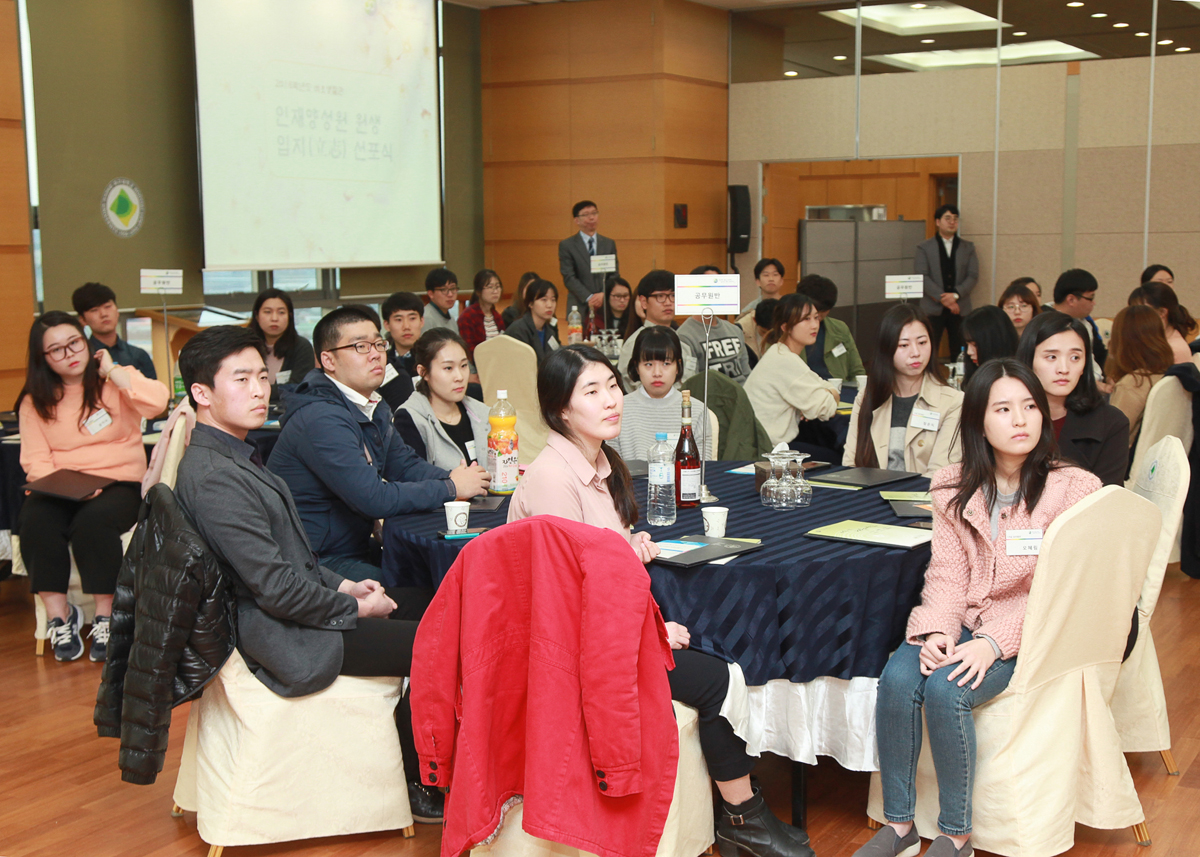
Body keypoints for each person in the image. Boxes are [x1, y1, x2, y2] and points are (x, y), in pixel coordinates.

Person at [508, 345, 815, 857]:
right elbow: (566, 600)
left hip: (607, 632)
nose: (611, 400)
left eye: (612, 385)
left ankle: (743, 813)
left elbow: (593, 562)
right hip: (574, 653)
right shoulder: (551, 480)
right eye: (592, 391)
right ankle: (744, 819)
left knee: (716, 642)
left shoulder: (600, 462)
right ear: (561, 409)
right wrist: (649, 635)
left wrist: (628, 547)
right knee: (718, 678)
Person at [173, 325, 445, 823]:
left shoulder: (234, 454)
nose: (259, 390)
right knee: (439, 642)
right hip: (280, 636)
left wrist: (342, 584)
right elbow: (275, 589)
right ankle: (418, 778)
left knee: (438, 604)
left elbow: (287, 559)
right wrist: (354, 606)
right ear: (202, 393)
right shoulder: (215, 476)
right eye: (241, 379)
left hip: (296, 609)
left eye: (262, 376)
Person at [857, 357, 1100, 857]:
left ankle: (956, 835)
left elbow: (1063, 592)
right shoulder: (951, 485)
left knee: (947, 691)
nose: (1020, 420)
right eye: (1003, 409)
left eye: (1030, 406)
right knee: (898, 680)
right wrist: (937, 631)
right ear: (978, 422)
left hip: (1028, 631)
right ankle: (900, 826)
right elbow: (948, 574)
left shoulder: (1074, 489)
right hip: (964, 619)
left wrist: (993, 643)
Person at [267, 306, 489, 581]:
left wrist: (456, 477)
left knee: (431, 572)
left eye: (378, 344)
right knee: (428, 590)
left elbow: (404, 466)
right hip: (314, 560)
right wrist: (451, 487)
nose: (375, 354)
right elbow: (373, 498)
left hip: (351, 545)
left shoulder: (370, 403)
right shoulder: (321, 417)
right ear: (328, 360)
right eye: (360, 346)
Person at [17, 311, 169, 662]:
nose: (69, 353)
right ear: (43, 358)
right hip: (62, 484)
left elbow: (157, 402)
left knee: (93, 521)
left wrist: (112, 371)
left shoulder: (114, 380)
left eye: (74, 343)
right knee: (35, 518)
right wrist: (66, 488)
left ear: (85, 340)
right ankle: (60, 616)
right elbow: (35, 458)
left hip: (120, 480)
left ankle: (106, 616)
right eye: (56, 350)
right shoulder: (34, 400)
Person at [844, 304, 963, 476]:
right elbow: (850, 464)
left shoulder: (953, 401)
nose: (916, 352)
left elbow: (940, 475)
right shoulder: (867, 396)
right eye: (904, 345)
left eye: (922, 342)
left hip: (923, 492)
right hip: (871, 491)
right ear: (886, 349)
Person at [1015, 311, 1129, 486]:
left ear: (1085, 365)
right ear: (1029, 359)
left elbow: (1108, 497)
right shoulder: (1005, 416)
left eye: (1075, 357)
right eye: (1052, 357)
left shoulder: (1111, 423)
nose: (1064, 368)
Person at [744, 293, 841, 451]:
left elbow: (818, 384)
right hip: (770, 450)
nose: (814, 325)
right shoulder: (785, 360)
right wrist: (832, 392)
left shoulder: (779, 352)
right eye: (806, 319)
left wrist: (826, 392)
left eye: (816, 318)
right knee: (836, 454)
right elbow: (826, 409)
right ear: (785, 327)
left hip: (764, 443)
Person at [612, 326, 713, 461]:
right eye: (648, 364)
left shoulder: (696, 410)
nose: (657, 373)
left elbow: (703, 467)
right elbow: (611, 466)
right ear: (637, 367)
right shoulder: (618, 409)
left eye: (666, 363)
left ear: (678, 366)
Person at [394, 329, 490, 470]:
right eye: (448, 368)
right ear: (424, 372)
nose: (460, 377)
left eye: (463, 366)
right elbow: (414, 477)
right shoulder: (410, 419)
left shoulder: (482, 411)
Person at [1106, 304, 1175, 450]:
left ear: (1121, 341)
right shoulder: (1168, 375)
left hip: (1127, 459)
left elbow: (1110, 437)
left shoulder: (1133, 384)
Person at [914, 205, 979, 359]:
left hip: (960, 307)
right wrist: (944, 299)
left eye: (955, 219)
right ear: (938, 222)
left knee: (961, 350)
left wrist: (955, 296)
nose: (952, 222)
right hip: (932, 307)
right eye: (947, 218)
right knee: (928, 348)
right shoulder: (924, 247)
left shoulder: (968, 247)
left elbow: (973, 275)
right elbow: (922, 276)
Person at [617, 270, 697, 388]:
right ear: (644, 302)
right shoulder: (635, 343)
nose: (668, 303)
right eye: (660, 296)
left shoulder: (682, 340)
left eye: (673, 296)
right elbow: (634, 386)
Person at [71, 281, 157, 379]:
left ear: (117, 311)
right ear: (83, 319)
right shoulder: (81, 358)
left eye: (108, 307)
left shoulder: (138, 355)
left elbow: (153, 388)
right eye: (94, 310)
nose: (104, 314)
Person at [795, 274, 866, 383]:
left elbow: (856, 370)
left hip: (839, 390)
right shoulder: (784, 331)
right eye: (814, 310)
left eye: (824, 310)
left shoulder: (840, 328)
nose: (819, 315)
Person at [247, 288, 315, 401]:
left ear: (290, 316)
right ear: (257, 315)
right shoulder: (245, 347)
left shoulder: (302, 347)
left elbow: (298, 387)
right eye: (267, 312)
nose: (274, 318)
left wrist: (260, 391)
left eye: (281, 312)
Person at [559, 200, 618, 315]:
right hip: (578, 305)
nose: (592, 218)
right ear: (577, 220)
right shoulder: (567, 245)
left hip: (604, 303)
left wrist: (603, 294)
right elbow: (569, 277)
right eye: (586, 215)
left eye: (594, 213)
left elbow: (614, 274)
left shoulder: (608, 244)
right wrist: (589, 297)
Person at [1051, 268, 1107, 382]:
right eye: (1090, 298)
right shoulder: (1045, 322)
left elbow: (1100, 355)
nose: (1094, 303)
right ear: (1071, 300)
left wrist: (1110, 375)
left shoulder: (1086, 321)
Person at [1128, 280, 1196, 365]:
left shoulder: (1174, 350)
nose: (1134, 317)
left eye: (1141, 312)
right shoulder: (1153, 342)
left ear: (1162, 312)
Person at [378, 290, 424, 411]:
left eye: (412, 318)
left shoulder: (432, 359)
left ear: (422, 321)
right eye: (398, 320)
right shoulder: (381, 361)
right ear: (387, 325)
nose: (406, 326)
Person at [503, 278, 562, 363]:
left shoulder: (549, 331)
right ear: (530, 303)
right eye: (544, 300)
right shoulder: (518, 330)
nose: (550, 305)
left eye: (553, 300)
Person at [457, 269, 506, 363]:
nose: (495, 291)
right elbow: (468, 350)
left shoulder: (497, 317)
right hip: (477, 366)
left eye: (497, 287)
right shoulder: (468, 316)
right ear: (478, 291)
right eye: (490, 287)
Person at [960, 306, 1018, 386]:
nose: (969, 352)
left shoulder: (1013, 382)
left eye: (975, 345)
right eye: (967, 344)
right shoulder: (976, 376)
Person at [424, 268, 459, 332]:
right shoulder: (426, 318)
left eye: (453, 288)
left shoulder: (451, 319)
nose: (450, 294)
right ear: (431, 294)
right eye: (443, 290)